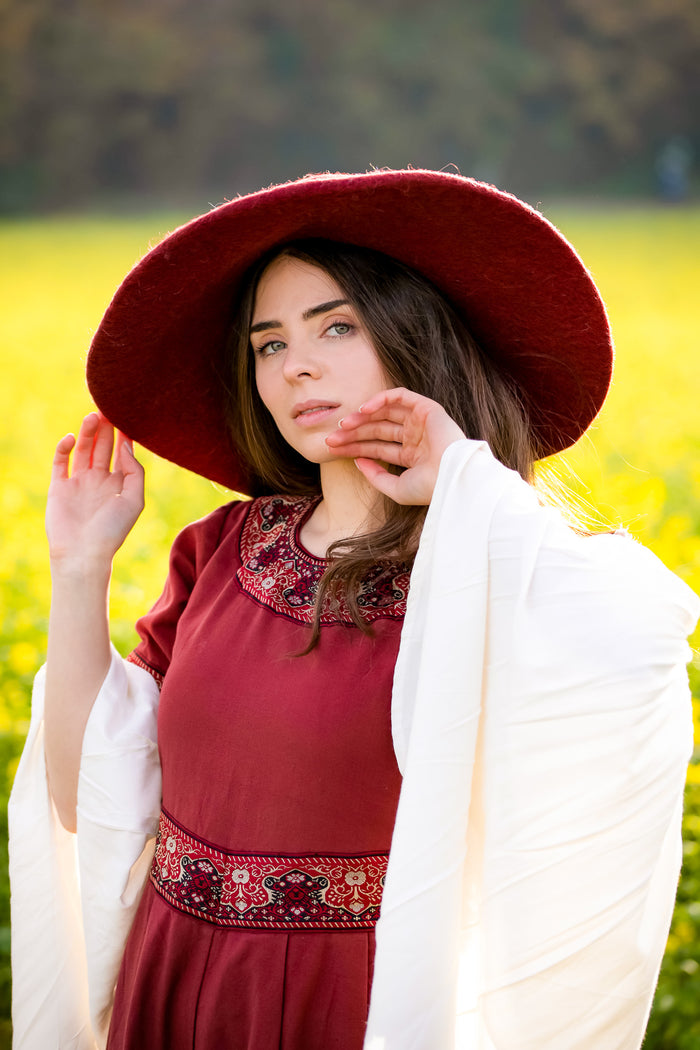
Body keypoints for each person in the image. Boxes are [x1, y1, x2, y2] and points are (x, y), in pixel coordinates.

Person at [8, 169, 699, 1050]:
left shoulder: (503, 571)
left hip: (358, 1008)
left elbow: (641, 637)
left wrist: (462, 483)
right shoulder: (219, 551)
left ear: (417, 343)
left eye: (337, 326)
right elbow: (86, 797)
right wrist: (79, 567)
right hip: (173, 985)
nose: (295, 364)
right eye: (268, 344)